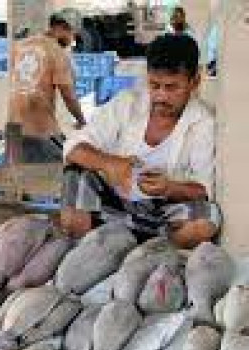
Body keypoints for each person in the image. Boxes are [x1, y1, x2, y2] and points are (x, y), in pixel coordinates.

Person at [60, 34, 220, 249]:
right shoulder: (127, 103)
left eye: (172, 87)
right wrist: (111, 163)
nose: (161, 96)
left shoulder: (203, 122)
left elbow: (204, 190)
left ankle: (122, 237)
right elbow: (72, 147)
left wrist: (169, 188)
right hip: (114, 203)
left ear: (194, 82)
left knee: (205, 222)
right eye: (155, 85)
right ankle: (143, 238)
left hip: (164, 211)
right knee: (75, 174)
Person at [9, 13, 86, 163]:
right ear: (63, 28)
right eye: (73, 35)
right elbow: (69, 96)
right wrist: (82, 120)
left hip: (14, 130)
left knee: (22, 176)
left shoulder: (19, 47)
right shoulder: (57, 52)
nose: (72, 41)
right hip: (40, 130)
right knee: (51, 175)